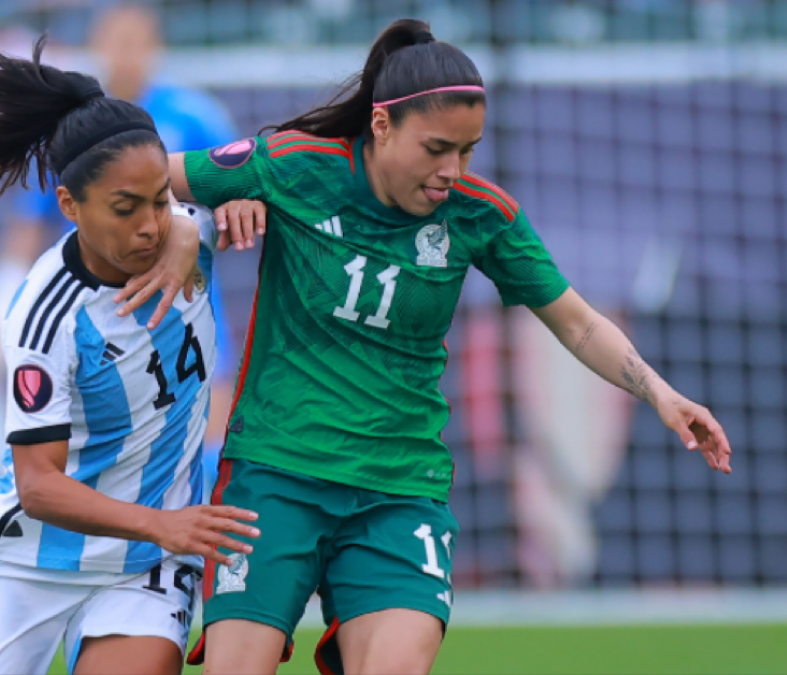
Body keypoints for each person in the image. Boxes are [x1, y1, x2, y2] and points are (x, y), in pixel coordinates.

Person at [138, 18, 733, 675]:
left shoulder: (482, 214)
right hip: (275, 476)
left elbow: (578, 322)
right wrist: (186, 226)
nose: (453, 169)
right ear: (383, 126)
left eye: (468, 151)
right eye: (437, 148)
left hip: (397, 492)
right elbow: (136, 180)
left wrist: (661, 391)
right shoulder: (294, 166)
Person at [0, 40, 262, 675]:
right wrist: (163, 525)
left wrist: (202, 218)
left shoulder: (190, 227)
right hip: (29, 563)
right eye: (126, 209)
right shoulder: (45, 317)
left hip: (142, 567)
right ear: (70, 206)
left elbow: (282, 164)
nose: (150, 224)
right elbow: (39, 486)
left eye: (158, 200)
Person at [0, 3, 242, 502]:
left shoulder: (194, 115)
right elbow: (32, 217)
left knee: (209, 431)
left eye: (137, 41)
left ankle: (199, 562)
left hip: (187, 298)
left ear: (155, 47)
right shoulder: (76, 130)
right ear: (98, 46)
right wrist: (3, 283)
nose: (126, 54)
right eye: (116, 41)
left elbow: (238, 193)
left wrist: (191, 229)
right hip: (97, 310)